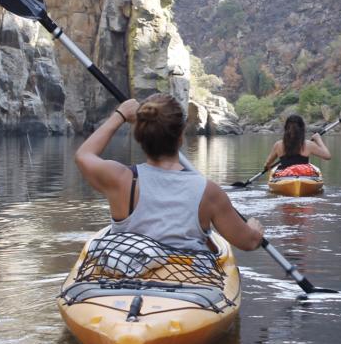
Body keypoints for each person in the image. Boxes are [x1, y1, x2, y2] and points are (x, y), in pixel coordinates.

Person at [74, 93, 263, 252]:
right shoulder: (208, 191)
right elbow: (248, 242)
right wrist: (254, 229)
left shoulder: (120, 179)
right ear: (181, 136)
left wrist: (120, 114)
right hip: (186, 288)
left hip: (128, 280)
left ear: (140, 136)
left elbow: (84, 154)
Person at [263, 114, 331, 173]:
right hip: (304, 176)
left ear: (286, 128)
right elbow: (327, 156)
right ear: (302, 128)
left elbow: (268, 163)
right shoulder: (308, 144)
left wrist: (267, 166)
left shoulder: (278, 145)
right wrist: (318, 139)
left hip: (285, 176)